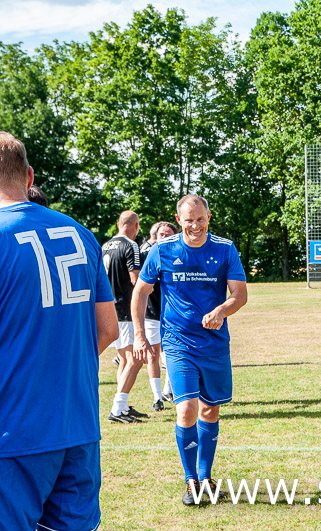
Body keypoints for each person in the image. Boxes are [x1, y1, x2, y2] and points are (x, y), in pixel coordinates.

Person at [0, 132, 118, 530]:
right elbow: (108, 329)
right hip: (77, 426)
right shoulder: (81, 233)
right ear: (29, 176)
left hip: (13, 433)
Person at [132, 194, 248, 505]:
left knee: (211, 409)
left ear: (209, 217)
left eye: (200, 219)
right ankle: (190, 480)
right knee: (186, 409)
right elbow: (140, 292)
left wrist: (221, 310)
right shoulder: (162, 250)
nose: (195, 226)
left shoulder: (225, 249)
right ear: (178, 219)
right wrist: (140, 335)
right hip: (178, 342)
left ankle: (206, 476)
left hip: (214, 344)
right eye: (188, 220)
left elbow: (239, 294)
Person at [103, 210, 149, 422]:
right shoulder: (131, 245)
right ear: (136, 226)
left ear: (118, 224)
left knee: (124, 359)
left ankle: (121, 405)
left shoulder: (105, 246)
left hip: (110, 309)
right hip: (127, 309)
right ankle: (117, 407)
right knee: (135, 359)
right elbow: (135, 279)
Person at [140, 221, 179, 408]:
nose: (164, 237)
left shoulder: (178, 254)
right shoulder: (146, 254)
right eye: (161, 234)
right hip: (151, 312)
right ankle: (157, 398)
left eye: (168, 235)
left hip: (171, 312)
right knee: (153, 354)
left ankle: (168, 390)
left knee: (172, 352)